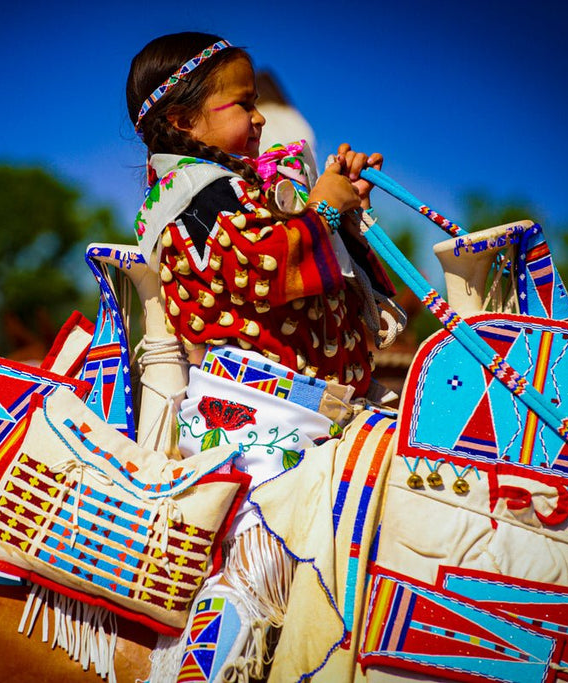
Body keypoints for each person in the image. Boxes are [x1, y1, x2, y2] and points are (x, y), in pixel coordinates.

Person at [126, 32, 403, 681]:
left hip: (303, 416)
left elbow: (302, 262)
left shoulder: (230, 189)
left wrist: (338, 210)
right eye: (241, 103)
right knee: (264, 571)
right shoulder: (196, 193)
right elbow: (263, 267)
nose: (257, 117)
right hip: (253, 427)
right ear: (181, 120)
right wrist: (324, 210)